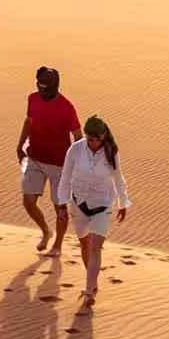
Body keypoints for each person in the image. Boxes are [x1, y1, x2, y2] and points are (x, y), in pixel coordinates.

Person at [55, 116, 131, 308]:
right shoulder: (75, 149)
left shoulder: (111, 151)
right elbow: (65, 178)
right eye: (90, 139)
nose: (93, 143)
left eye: (97, 139)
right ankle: (93, 278)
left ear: (103, 136)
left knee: (96, 246)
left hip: (103, 204)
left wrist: (123, 202)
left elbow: (117, 177)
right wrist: (62, 205)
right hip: (78, 203)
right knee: (84, 243)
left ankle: (89, 289)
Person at [16, 67, 81, 255]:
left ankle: (58, 245)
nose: (41, 92)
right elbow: (28, 121)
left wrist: (77, 164)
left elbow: (78, 136)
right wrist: (19, 145)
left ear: (55, 87)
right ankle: (46, 231)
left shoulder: (67, 108)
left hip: (59, 164)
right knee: (28, 201)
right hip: (35, 157)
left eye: (45, 88)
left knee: (60, 207)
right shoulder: (32, 98)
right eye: (39, 86)